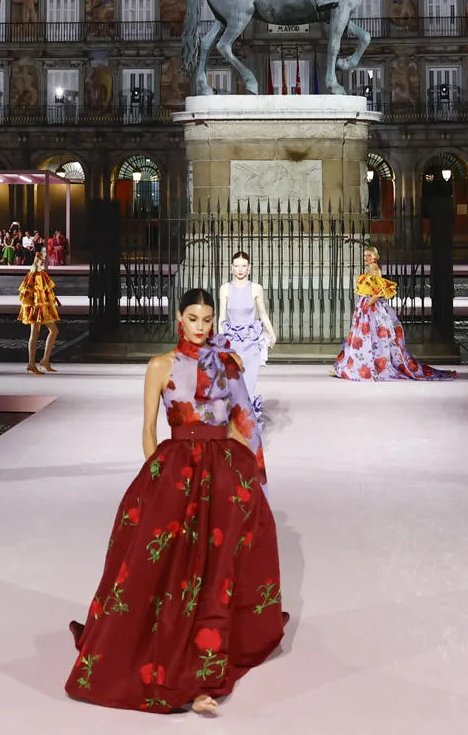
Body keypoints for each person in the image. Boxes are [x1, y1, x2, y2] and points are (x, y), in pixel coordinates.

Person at [65, 288, 285, 714]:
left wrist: (251, 477)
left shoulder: (228, 365)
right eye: (193, 319)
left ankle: (203, 670)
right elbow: (148, 428)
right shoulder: (159, 366)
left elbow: (244, 424)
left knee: (217, 566)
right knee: (171, 568)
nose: (201, 327)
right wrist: (159, 477)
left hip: (223, 471)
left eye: (207, 319)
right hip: (177, 469)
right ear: (179, 319)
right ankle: (174, 661)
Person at [331, 246, 454, 381]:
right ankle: (356, 365)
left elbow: (379, 292)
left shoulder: (376, 271)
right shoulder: (371, 269)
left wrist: (367, 304)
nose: (366, 258)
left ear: (376, 257)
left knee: (372, 333)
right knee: (363, 335)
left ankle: (372, 366)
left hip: (371, 305)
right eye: (365, 255)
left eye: (369, 256)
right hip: (366, 303)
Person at [218, 251, 278, 417]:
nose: (240, 269)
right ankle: (234, 418)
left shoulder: (256, 289)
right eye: (236, 266)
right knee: (233, 382)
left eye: (243, 266)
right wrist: (219, 341)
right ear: (231, 268)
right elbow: (222, 317)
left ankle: (247, 421)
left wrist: (272, 334)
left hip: (251, 342)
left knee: (249, 382)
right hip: (232, 342)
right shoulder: (225, 289)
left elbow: (263, 314)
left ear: (249, 268)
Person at [19, 248, 62, 374]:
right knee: (47, 331)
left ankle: (40, 361)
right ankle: (36, 362)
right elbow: (37, 292)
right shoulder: (36, 273)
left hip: (39, 306)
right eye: (44, 254)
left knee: (38, 333)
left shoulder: (38, 273)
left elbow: (43, 290)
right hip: (38, 307)